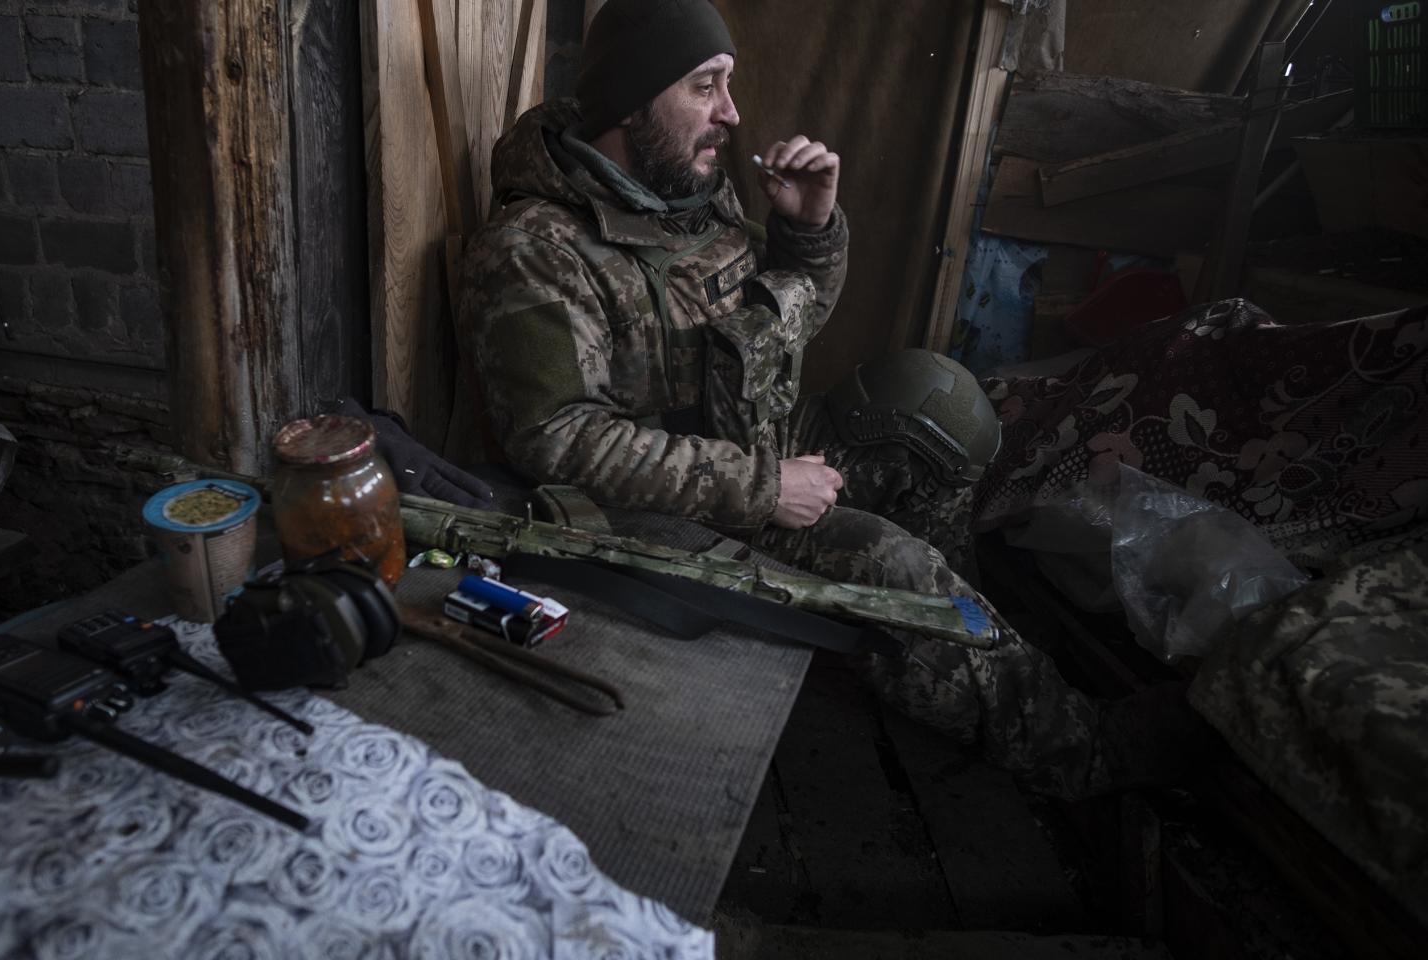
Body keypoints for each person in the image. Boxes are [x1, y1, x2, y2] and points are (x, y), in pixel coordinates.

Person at [459, 0, 1199, 799]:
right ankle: (1088, 757)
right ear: (633, 101)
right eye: (706, 87)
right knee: (891, 562)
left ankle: (951, 656)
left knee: (941, 404)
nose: (732, 114)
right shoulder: (538, 249)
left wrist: (811, 230)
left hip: (764, 445)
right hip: (670, 511)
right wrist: (766, 488)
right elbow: (558, 439)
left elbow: (785, 323)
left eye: (728, 85)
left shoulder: (681, 187)